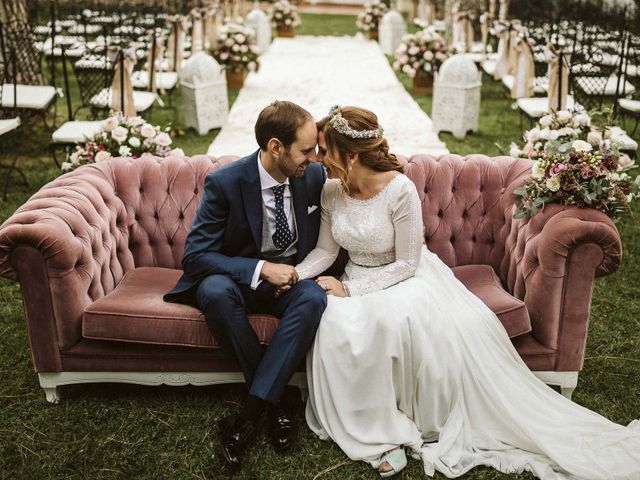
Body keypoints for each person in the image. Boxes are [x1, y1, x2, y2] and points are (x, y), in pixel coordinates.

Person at [293, 105, 640, 479]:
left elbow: (408, 263)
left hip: (405, 278)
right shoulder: (332, 191)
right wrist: (293, 274)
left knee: (395, 320)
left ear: (351, 153)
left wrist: (349, 288)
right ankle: (368, 425)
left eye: (325, 151)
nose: (318, 159)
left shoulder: (399, 189)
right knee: (335, 322)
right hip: (356, 274)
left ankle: (399, 423)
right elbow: (327, 251)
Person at [164, 100, 327, 469]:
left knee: (314, 298)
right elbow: (196, 256)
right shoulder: (226, 182)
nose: (314, 158)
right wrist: (260, 268)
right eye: (305, 150)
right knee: (214, 292)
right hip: (241, 281)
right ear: (275, 147)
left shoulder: (314, 178)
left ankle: (249, 415)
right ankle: (279, 401)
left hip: (294, 279)